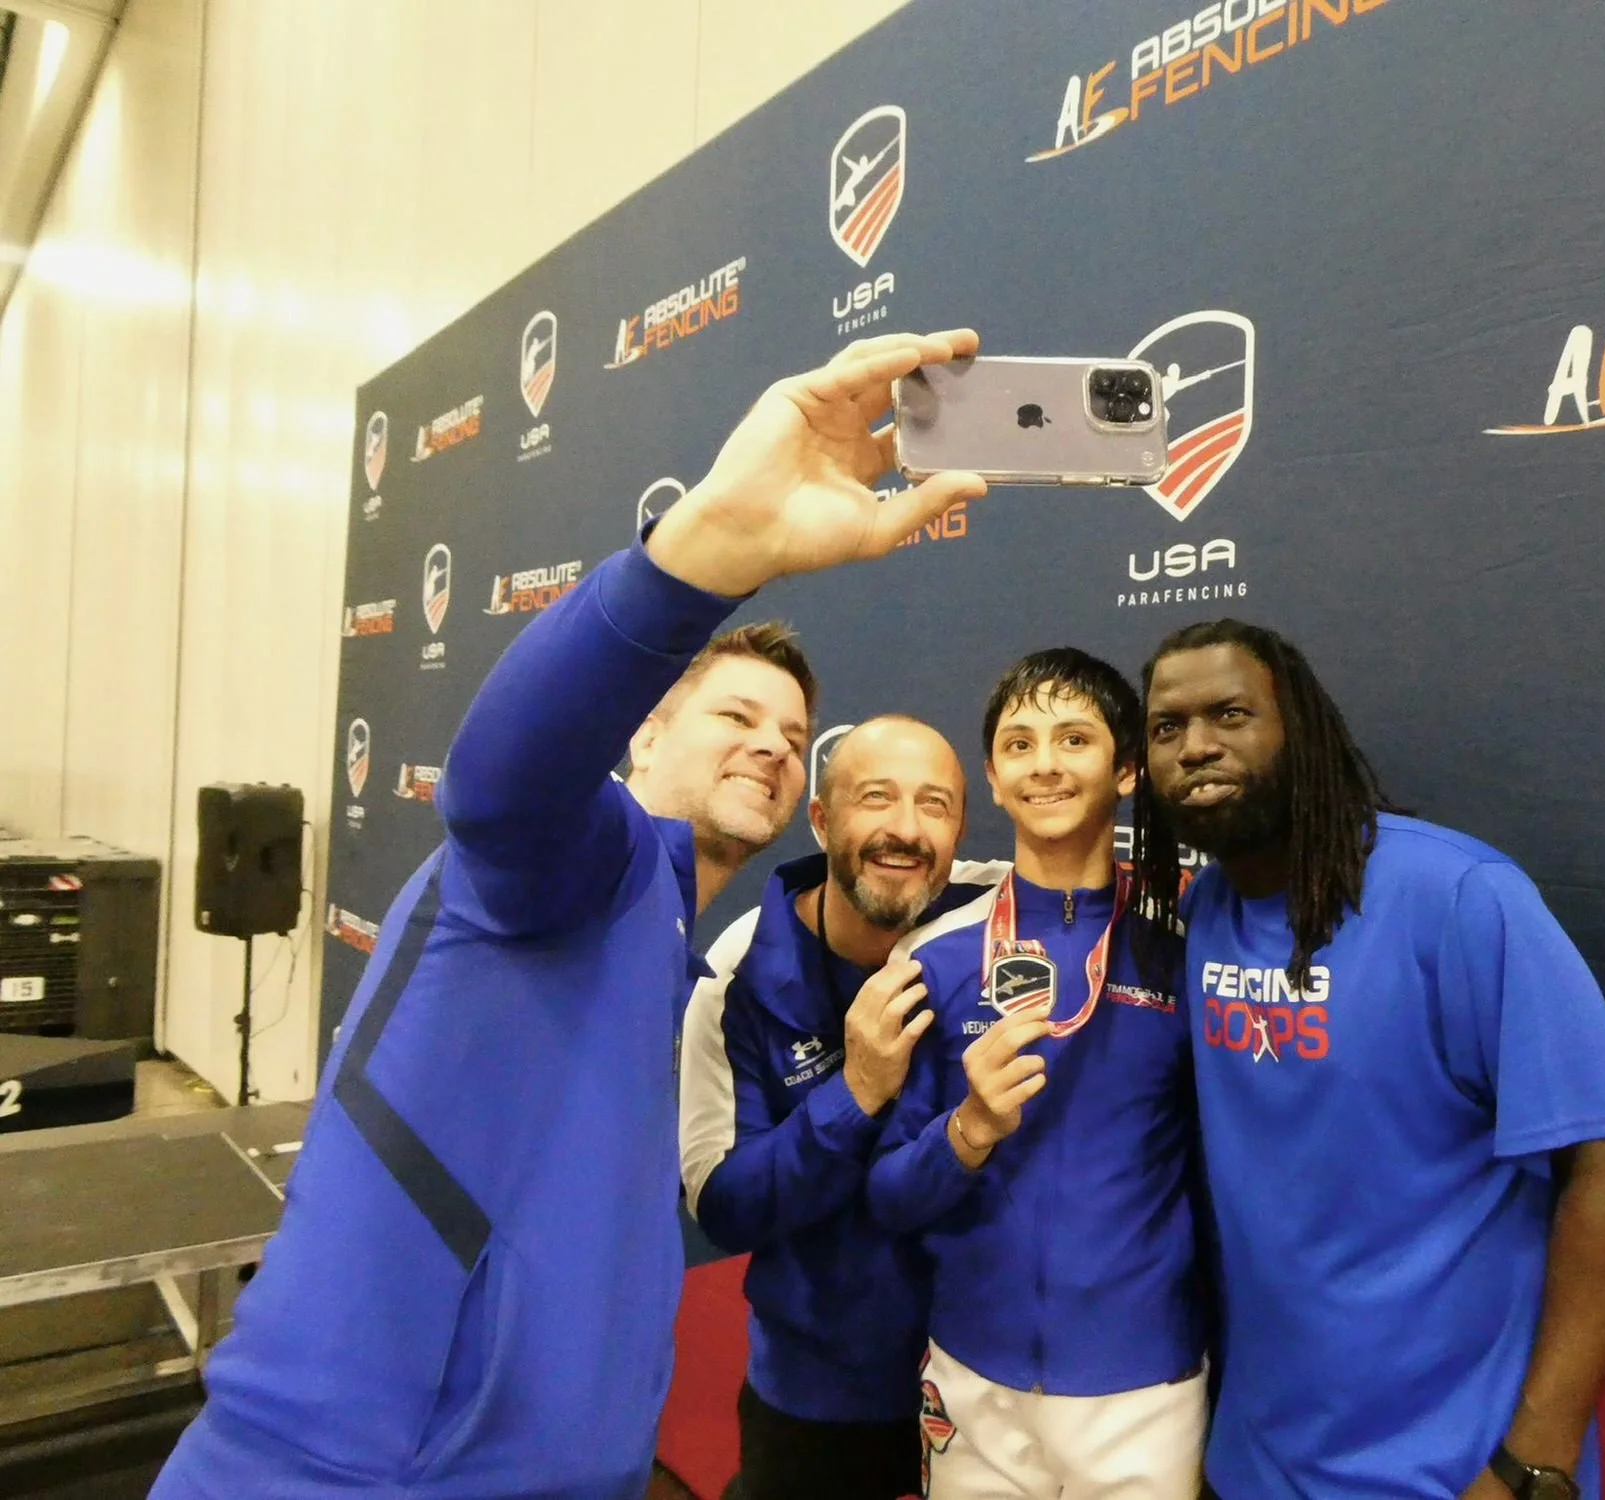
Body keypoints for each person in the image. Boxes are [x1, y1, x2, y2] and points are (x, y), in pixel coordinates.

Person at [150, 330, 988, 1500]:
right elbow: (498, 782)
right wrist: (699, 560)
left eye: (794, 740)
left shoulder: (664, 942)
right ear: (643, 731)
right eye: (735, 716)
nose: (770, 746)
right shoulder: (584, 860)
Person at [1132, 619, 1605, 1500]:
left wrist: (1537, 1460)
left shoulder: (1456, 896)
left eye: (1230, 714)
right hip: (1256, 1461)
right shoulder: (1206, 910)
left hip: (1450, 1470)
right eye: (1165, 727)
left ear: (1299, 730)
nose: (1195, 748)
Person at [868, 649, 1205, 1500]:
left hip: (1144, 1386)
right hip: (973, 1377)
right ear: (993, 775)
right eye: (1019, 744)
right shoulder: (936, 962)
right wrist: (967, 1131)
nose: (1045, 763)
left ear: (1127, 768)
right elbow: (890, 1199)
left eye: (1074, 739)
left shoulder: (1187, 956)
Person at [679, 716, 1007, 1500]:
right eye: (875, 799)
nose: (905, 829)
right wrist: (854, 1093)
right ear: (823, 819)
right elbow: (723, 1208)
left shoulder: (1006, 914)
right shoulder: (738, 972)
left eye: (934, 805)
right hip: (818, 1397)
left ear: (960, 829)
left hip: (985, 1385)